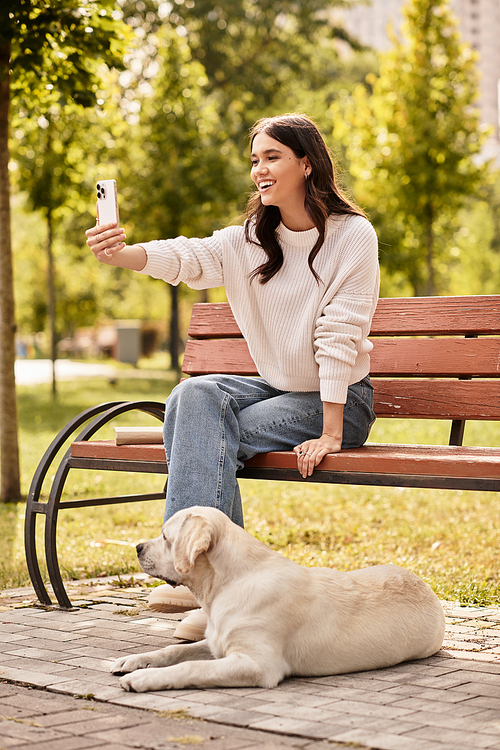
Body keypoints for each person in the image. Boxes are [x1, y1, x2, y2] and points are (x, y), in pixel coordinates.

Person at [86, 113, 379, 640]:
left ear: (306, 163)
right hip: (279, 388)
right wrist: (122, 254)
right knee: (193, 394)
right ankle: (218, 586)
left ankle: (197, 582)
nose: (259, 170)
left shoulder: (351, 236)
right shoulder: (248, 239)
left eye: (272, 158)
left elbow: (340, 334)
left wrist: (332, 431)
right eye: (254, 160)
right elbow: (187, 256)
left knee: (200, 431)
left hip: (341, 401)